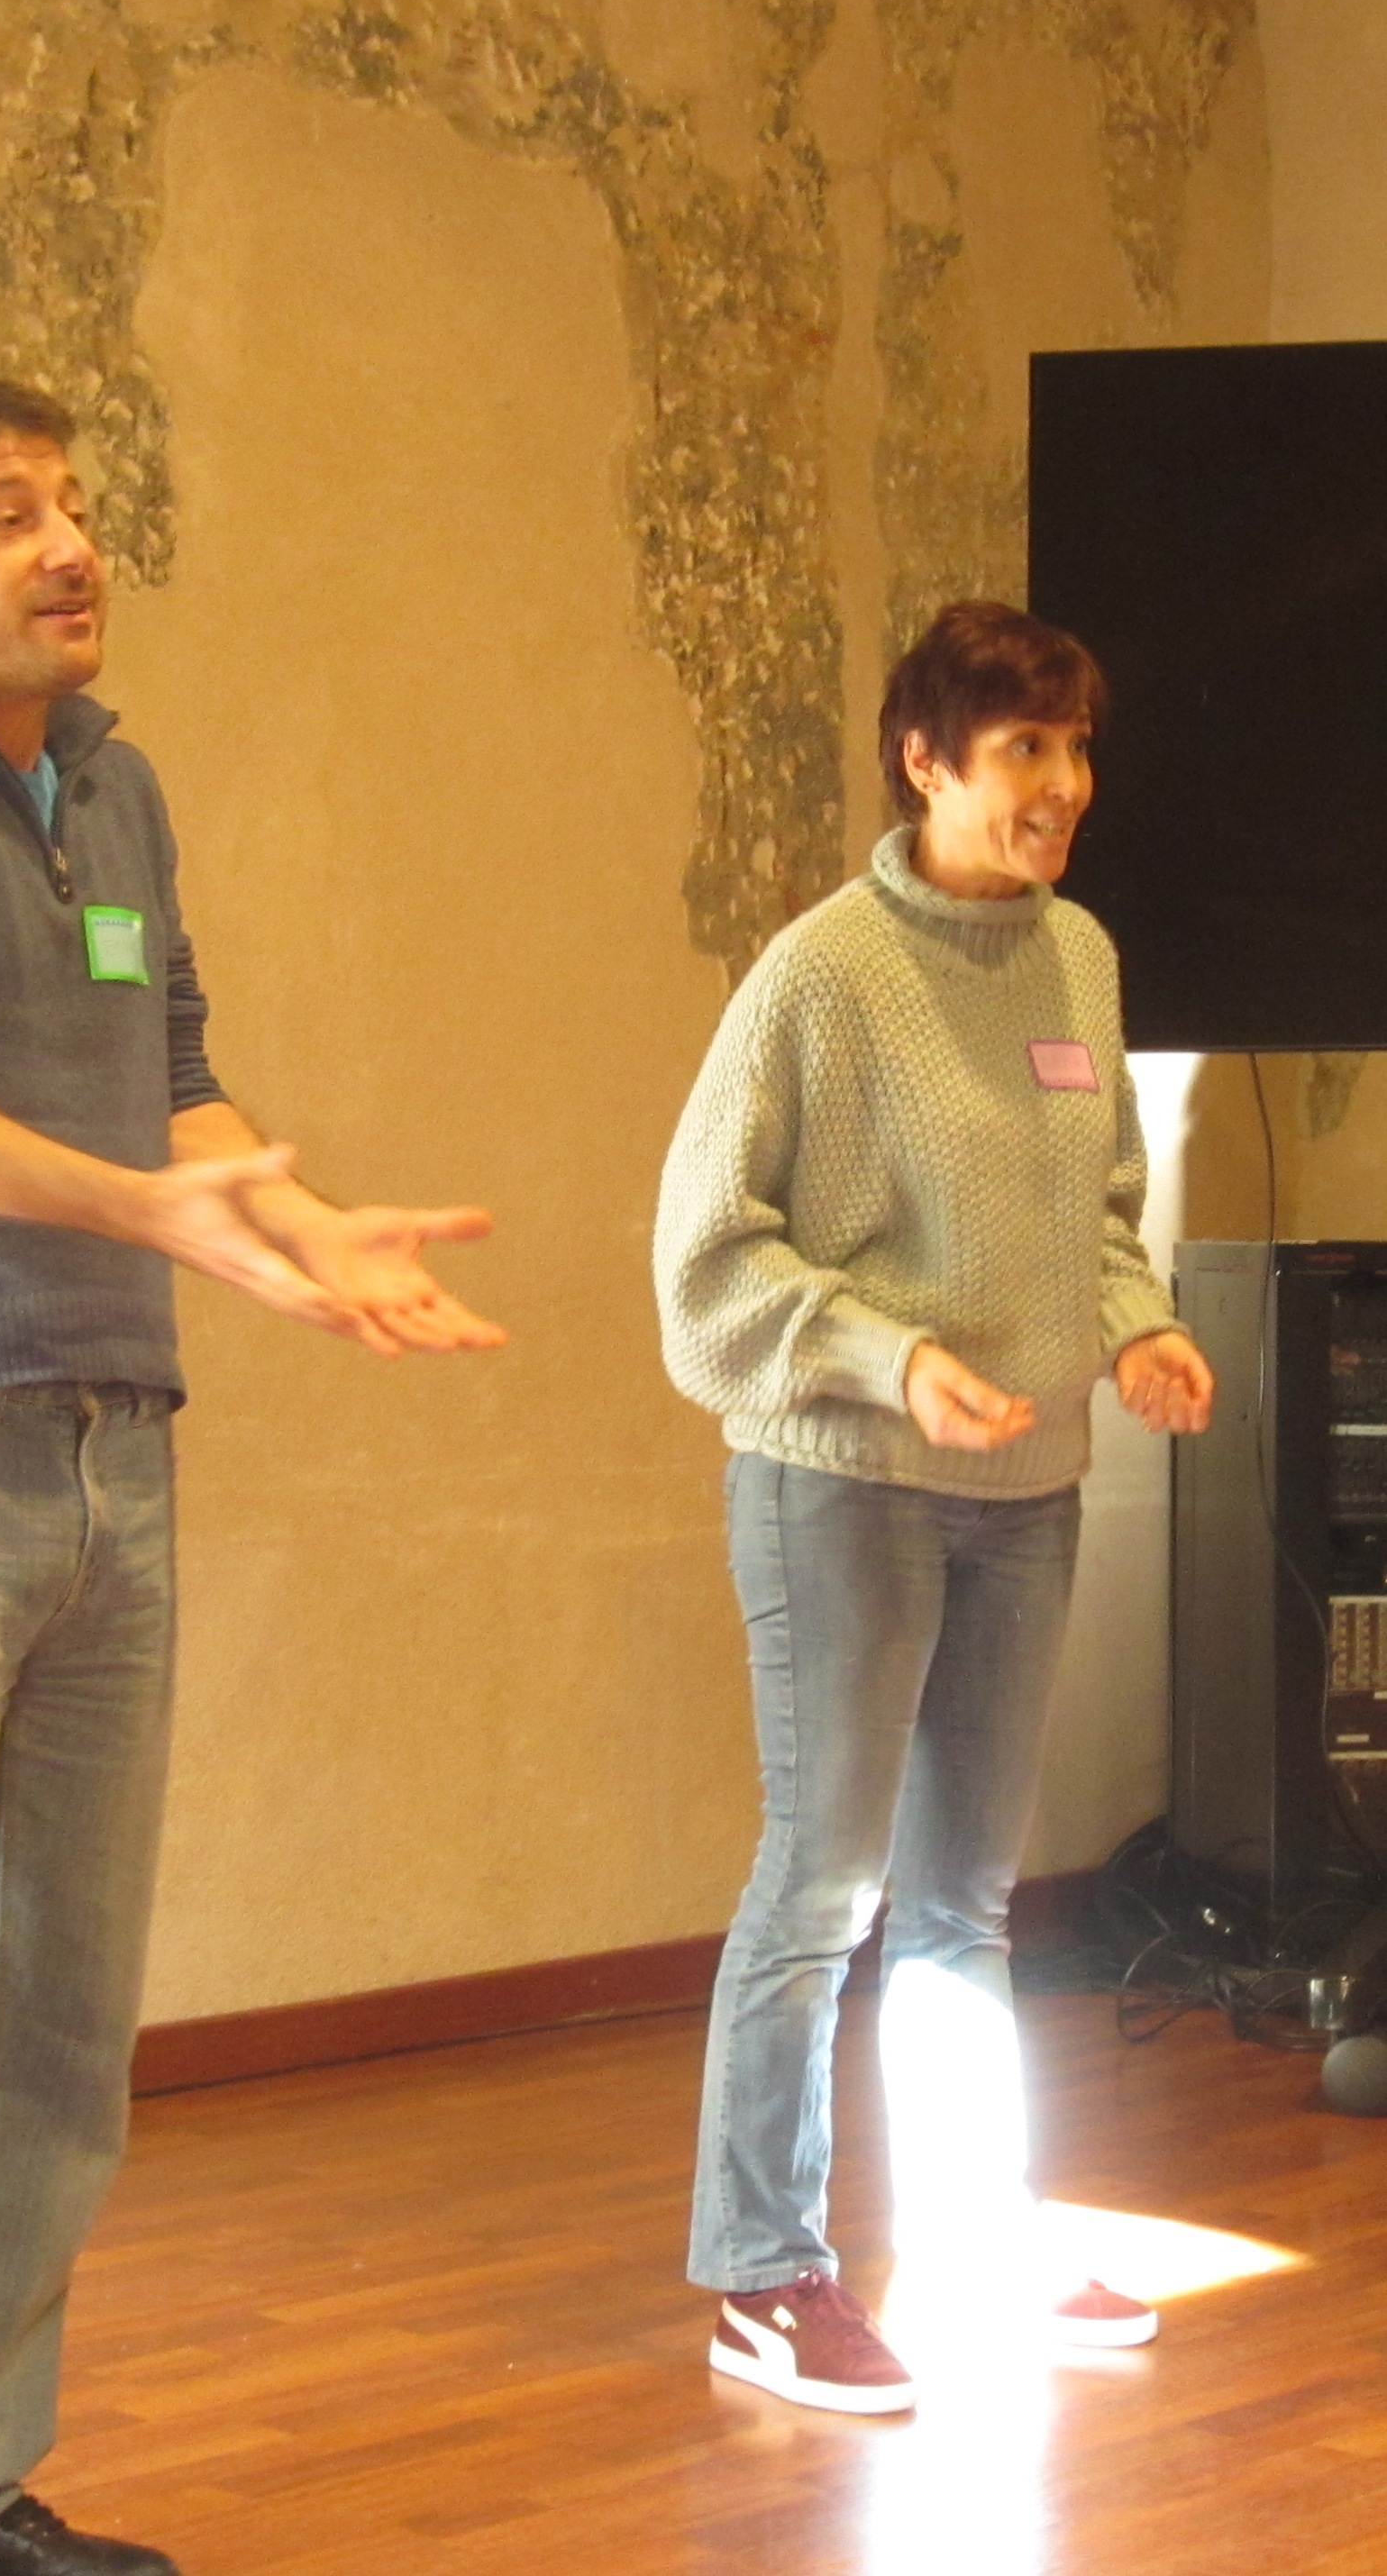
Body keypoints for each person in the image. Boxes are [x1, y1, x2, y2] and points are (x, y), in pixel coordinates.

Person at [0, 378, 505, 2576]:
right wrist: (146, 1214)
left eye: (77, 505)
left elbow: (178, 1081)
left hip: (112, 1459)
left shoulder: (114, 788)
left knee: (52, 2044)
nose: (69, 544)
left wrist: (295, 1232)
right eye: (7, 512)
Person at [652, 600, 1214, 2417]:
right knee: (822, 1883)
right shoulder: (819, 975)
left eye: (1075, 748)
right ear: (924, 762)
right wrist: (890, 1361)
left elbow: (1098, 1210)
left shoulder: (1077, 958)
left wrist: (1133, 1330)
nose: (1062, 785)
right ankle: (761, 2274)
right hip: (842, 1489)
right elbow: (705, 1263)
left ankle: (971, 2234)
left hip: (1026, 1490)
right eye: (1022, 749)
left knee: (965, 1901)